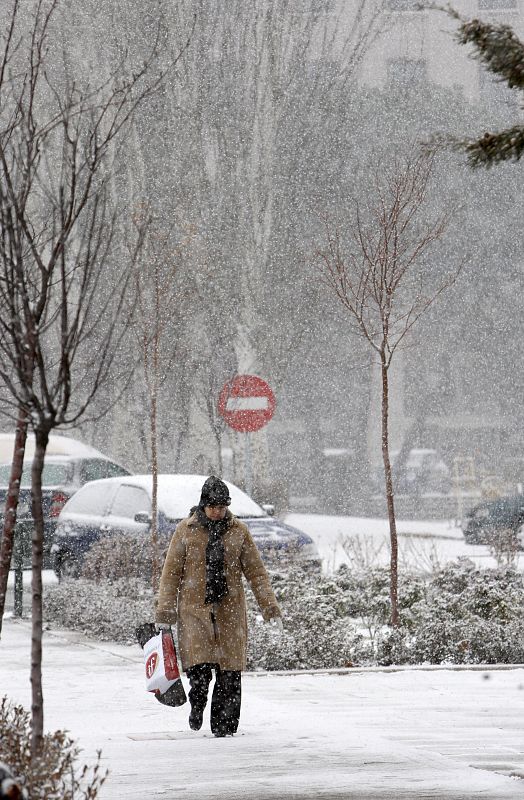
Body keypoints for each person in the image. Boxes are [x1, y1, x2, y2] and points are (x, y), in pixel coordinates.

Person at [155, 475, 282, 737]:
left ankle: (224, 728)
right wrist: (165, 612)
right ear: (203, 505)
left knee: (230, 672)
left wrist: (270, 608)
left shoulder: (239, 532)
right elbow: (171, 574)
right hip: (194, 611)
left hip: (230, 612)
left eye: (222, 507)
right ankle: (197, 704)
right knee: (199, 672)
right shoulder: (186, 530)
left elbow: (256, 573)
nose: (217, 512)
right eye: (213, 507)